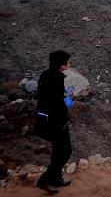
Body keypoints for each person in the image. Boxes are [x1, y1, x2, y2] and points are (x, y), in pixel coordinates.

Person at [35, 50, 73, 194]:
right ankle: (44, 181)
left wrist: (68, 99)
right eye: (68, 62)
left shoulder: (47, 75)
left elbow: (63, 97)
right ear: (61, 64)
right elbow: (59, 101)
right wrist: (69, 100)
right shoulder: (56, 79)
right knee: (63, 152)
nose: (70, 65)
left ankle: (56, 178)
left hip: (56, 122)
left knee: (61, 151)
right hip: (54, 123)